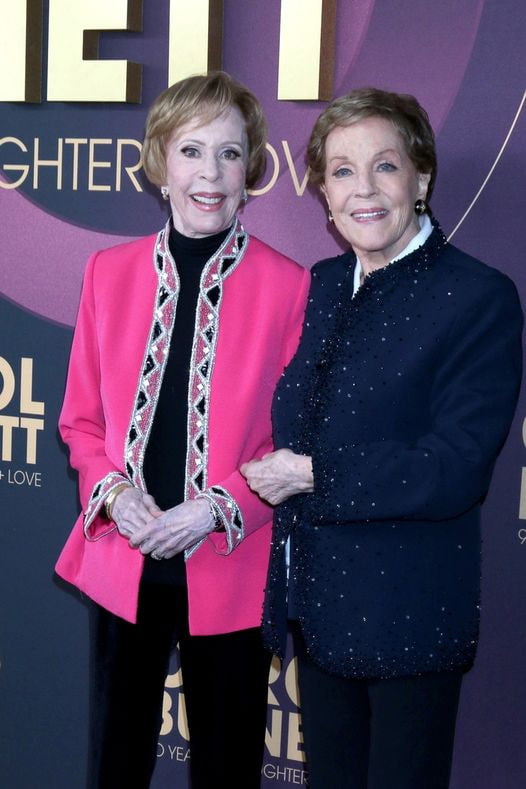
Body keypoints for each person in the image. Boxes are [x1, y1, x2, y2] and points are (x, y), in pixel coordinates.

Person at [241, 87, 523, 789]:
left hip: (409, 621)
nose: (363, 189)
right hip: (320, 615)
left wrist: (315, 474)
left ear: (421, 178)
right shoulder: (325, 283)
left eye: (385, 166)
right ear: (323, 193)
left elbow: (455, 466)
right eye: (342, 171)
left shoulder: (477, 296)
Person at [55, 71, 309, 789]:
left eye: (230, 154)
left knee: (228, 769)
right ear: (160, 163)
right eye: (192, 151)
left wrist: (214, 509)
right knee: (115, 764)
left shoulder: (291, 286)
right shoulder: (106, 271)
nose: (211, 173)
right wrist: (113, 492)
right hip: (124, 557)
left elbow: (292, 446)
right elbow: (80, 421)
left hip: (231, 563)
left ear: (250, 170)